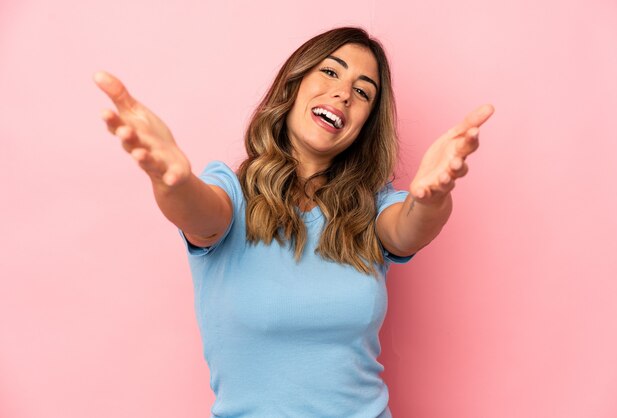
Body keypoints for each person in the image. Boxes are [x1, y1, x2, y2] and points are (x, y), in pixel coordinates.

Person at [94, 27, 494, 418]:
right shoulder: (231, 193)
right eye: (331, 72)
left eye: (363, 91)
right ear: (293, 85)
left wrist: (433, 197)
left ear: (365, 126)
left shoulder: (372, 208)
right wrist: (175, 182)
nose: (343, 93)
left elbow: (408, 228)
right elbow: (199, 212)